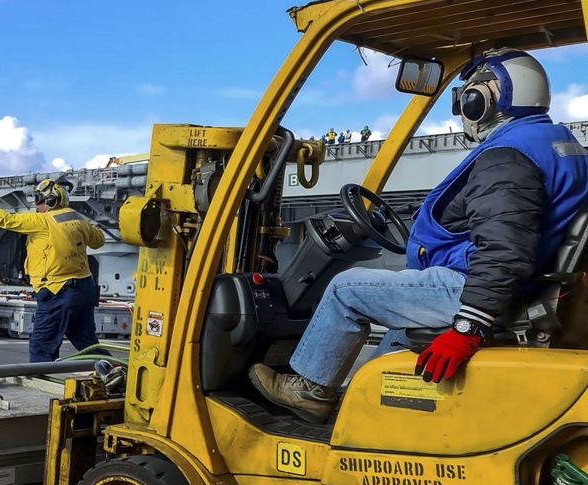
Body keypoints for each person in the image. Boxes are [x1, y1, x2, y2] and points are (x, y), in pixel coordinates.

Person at [249, 48, 588, 424]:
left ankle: (311, 388)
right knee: (395, 335)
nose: (462, 109)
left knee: (347, 289)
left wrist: (466, 326)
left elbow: (504, 249)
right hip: (512, 283)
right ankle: (374, 412)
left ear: (485, 100)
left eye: (467, 98)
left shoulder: (507, 156)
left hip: (476, 286)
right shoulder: (553, 140)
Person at [0, 177, 107, 362]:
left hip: (57, 290)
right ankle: (116, 371)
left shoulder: (41, 221)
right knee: (86, 342)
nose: (37, 205)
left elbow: (5, 220)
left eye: (39, 200)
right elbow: (98, 242)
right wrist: (94, 228)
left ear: (51, 201)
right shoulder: (79, 219)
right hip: (84, 288)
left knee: (41, 345)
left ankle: (39, 383)